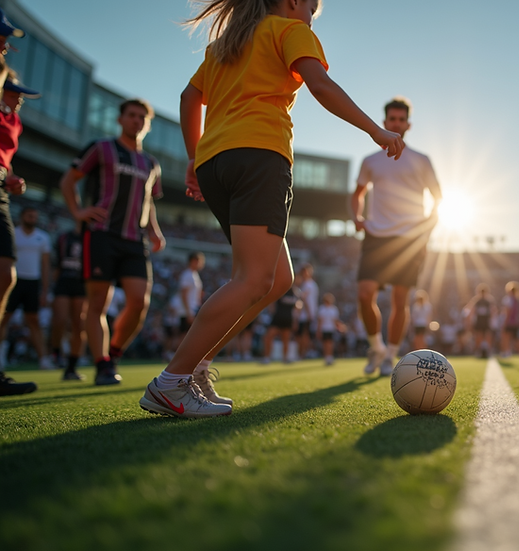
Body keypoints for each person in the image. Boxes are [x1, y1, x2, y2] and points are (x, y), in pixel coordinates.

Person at [139, 0, 404, 418]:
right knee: (253, 278)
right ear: (294, 2)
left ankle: (196, 367)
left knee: (279, 278)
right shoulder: (289, 30)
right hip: (260, 154)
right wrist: (374, 128)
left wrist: (194, 158)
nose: (310, 19)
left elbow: (190, 97)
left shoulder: (229, 43)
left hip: (216, 162)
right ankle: (171, 381)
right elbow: (320, 86)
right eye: (312, 10)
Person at [60, 98, 166, 386]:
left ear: (147, 124)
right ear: (120, 119)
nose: (137, 120)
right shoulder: (101, 148)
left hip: (134, 240)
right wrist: (79, 212)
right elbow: (68, 181)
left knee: (139, 303)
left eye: (142, 117)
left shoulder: (151, 163)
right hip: (101, 235)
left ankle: (113, 354)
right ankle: (102, 364)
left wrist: (154, 230)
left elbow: (148, 202)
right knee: (97, 303)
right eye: (131, 115)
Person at [352, 96, 440, 376]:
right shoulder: (371, 161)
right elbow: (358, 194)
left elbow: (438, 200)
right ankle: (375, 346)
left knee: (400, 301)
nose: (397, 123)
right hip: (377, 235)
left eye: (402, 119)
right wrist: (357, 215)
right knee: (365, 294)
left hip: (409, 239)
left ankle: (390, 354)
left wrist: (425, 231)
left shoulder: (422, 160)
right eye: (392, 119)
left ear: (408, 124)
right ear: (384, 122)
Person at [0, 58, 38, 396]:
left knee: (4, 275)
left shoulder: (14, 122)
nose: (19, 97)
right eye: (14, 92)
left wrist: (10, 179)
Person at [0, 207, 53, 370]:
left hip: (32, 283)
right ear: (22, 216)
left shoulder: (42, 237)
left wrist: (44, 290)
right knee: (4, 318)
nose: (32, 219)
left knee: (34, 321)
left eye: (35, 216)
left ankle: (44, 359)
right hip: (14, 281)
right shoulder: (12, 233)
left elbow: (45, 266)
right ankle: (1, 357)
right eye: (30, 216)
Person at [50, 223, 87, 380]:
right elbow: (56, 264)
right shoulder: (64, 237)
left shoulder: (93, 237)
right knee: (60, 320)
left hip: (82, 284)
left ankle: (72, 366)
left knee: (78, 325)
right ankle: (56, 353)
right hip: (64, 282)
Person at [174, 252, 205, 348]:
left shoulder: (194, 275)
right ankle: (178, 357)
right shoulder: (187, 275)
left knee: (190, 334)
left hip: (193, 308)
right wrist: (188, 312)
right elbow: (184, 294)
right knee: (184, 335)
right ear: (193, 261)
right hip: (187, 310)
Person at [261, 285, 298, 364]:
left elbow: (296, 307)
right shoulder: (280, 290)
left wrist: (295, 320)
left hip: (288, 319)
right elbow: (272, 303)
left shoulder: (294, 292)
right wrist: (273, 312)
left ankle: (285, 358)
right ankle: (266, 358)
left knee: (285, 339)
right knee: (268, 337)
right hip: (278, 317)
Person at [465, 283, 494, 359]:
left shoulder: (489, 301)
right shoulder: (476, 300)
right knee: (479, 336)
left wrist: (492, 320)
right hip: (479, 321)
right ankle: (478, 351)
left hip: (486, 321)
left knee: (488, 336)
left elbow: (492, 311)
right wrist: (470, 322)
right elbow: (472, 311)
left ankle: (489, 350)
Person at [295, 263, 318, 359]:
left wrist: (310, 313)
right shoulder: (306, 285)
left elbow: (307, 300)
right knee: (303, 335)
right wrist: (309, 313)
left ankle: (303, 353)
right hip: (305, 315)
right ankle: (301, 354)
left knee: (306, 335)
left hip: (308, 314)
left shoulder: (309, 284)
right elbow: (304, 300)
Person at [316, 292, 345, 365]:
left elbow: (335, 320)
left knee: (330, 344)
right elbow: (320, 321)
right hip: (324, 329)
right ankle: (326, 357)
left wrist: (340, 327)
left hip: (331, 329)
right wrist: (318, 330)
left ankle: (330, 357)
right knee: (325, 344)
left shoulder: (334, 309)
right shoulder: (322, 309)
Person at [499, 281, 519, 358]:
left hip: (509, 322)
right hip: (515, 322)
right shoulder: (517, 299)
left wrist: (505, 322)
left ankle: (507, 352)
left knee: (505, 337)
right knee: (515, 338)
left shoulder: (508, 299)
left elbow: (508, 312)